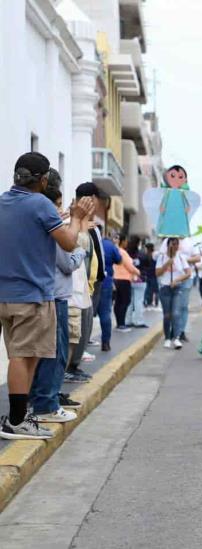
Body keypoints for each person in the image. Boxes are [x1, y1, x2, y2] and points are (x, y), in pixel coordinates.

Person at [0, 152, 94, 439]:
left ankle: (21, 416)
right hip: (33, 294)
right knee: (23, 356)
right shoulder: (41, 204)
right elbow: (67, 244)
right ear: (42, 180)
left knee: (22, 355)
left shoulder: (3, 201)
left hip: (5, 294)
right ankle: (17, 420)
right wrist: (77, 220)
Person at [28, 170, 86, 423]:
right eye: (59, 205)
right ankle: (46, 404)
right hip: (56, 296)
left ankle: (36, 402)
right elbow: (67, 261)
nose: (61, 210)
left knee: (36, 354)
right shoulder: (55, 229)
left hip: (37, 294)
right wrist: (81, 250)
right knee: (55, 353)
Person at [67, 182, 106, 379]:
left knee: (84, 329)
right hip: (80, 287)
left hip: (91, 284)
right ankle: (70, 368)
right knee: (77, 331)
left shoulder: (93, 225)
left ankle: (74, 366)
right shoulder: (74, 223)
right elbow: (80, 252)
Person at [156, 237, 191, 349]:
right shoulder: (161, 257)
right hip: (165, 289)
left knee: (176, 313)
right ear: (168, 245)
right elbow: (157, 273)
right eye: (172, 244)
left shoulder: (181, 257)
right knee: (167, 315)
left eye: (176, 244)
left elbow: (188, 273)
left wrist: (177, 280)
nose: (175, 246)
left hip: (177, 288)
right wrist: (167, 263)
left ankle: (176, 338)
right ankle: (167, 338)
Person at [112, 234, 140, 333]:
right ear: (122, 241)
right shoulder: (123, 252)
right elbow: (129, 266)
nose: (127, 243)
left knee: (119, 302)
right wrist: (138, 272)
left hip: (116, 278)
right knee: (125, 301)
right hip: (124, 279)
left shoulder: (116, 251)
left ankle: (119, 323)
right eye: (126, 241)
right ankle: (121, 324)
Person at [176, 237, 202, 342]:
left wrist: (184, 259)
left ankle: (181, 331)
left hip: (187, 277)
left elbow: (198, 258)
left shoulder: (190, 241)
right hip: (172, 277)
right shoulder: (168, 239)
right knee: (173, 306)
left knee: (183, 305)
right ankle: (173, 330)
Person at [99, 235, 122, 351]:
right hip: (106, 282)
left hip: (90, 282)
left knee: (86, 315)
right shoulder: (111, 246)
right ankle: (105, 343)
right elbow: (119, 260)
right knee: (105, 313)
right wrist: (116, 247)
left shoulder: (93, 240)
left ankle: (83, 346)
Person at [125, 236, 148, 328]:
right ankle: (139, 321)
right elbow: (148, 264)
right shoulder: (142, 254)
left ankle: (127, 321)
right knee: (139, 301)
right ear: (139, 243)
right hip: (140, 279)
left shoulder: (126, 253)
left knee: (129, 302)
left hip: (129, 279)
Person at [141, 243, 159, 308]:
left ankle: (147, 301)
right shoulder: (154, 255)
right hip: (154, 274)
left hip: (147, 274)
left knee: (148, 289)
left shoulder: (145, 255)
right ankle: (156, 302)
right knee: (156, 290)